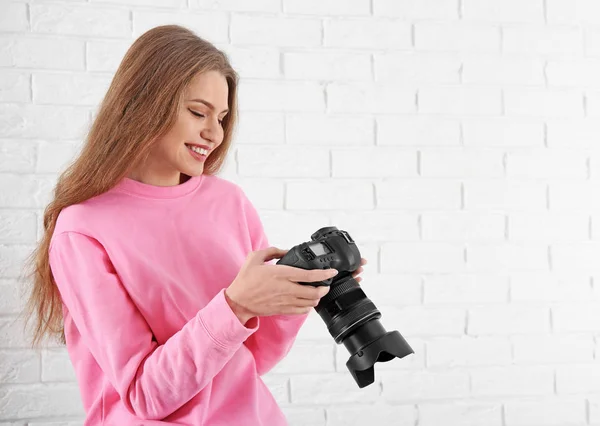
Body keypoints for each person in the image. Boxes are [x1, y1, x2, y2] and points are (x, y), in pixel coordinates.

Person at [23, 25, 366, 425]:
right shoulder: (83, 230)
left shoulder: (229, 203)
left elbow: (255, 358)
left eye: (221, 117)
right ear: (144, 103)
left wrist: (300, 293)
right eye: (198, 112)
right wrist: (236, 304)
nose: (214, 133)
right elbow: (145, 395)